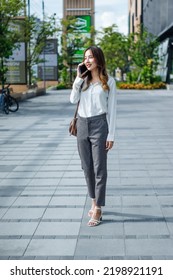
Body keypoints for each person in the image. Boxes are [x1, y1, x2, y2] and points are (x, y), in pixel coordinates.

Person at [70, 46, 117, 227]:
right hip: (82, 125)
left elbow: (112, 110)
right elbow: (73, 100)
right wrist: (77, 78)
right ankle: (93, 199)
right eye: (85, 58)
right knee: (86, 167)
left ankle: (97, 207)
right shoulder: (83, 80)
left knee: (100, 168)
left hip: (100, 125)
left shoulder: (109, 82)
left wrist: (111, 135)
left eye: (91, 57)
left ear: (98, 59)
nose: (87, 61)